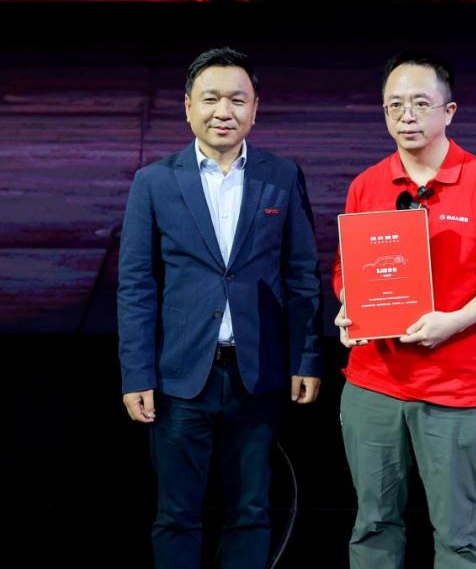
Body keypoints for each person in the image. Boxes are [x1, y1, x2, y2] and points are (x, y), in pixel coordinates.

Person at [118, 47, 322, 569]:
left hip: (258, 374)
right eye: (210, 99)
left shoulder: (282, 175)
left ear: (255, 109)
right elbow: (137, 286)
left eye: (237, 99)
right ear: (188, 107)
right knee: (176, 515)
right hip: (181, 377)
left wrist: (306, 359)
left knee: (250, 512)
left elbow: (302, 275)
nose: (223, 112)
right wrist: (136, 373)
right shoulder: (154, 182)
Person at [333, 51, 476, 568]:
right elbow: (346, 270)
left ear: (449, 111)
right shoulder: (366, 185)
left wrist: (454, 321)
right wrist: (349, 307)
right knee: (373, 525)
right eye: (394, 105)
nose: (407, 116)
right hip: (373, 385)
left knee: (458, 534)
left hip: (453, 389)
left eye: (421, 104)